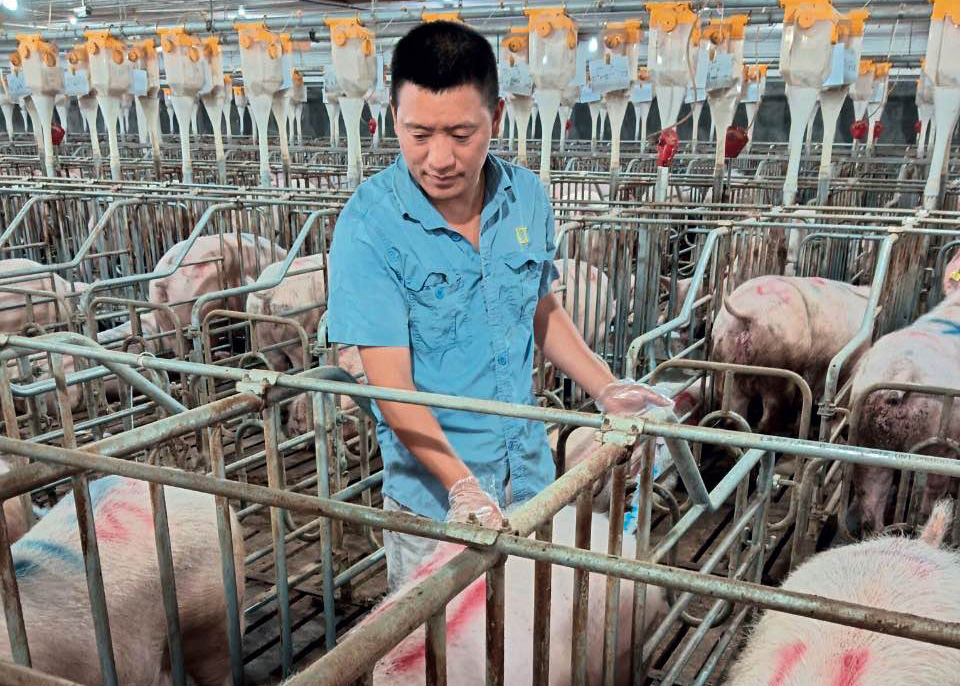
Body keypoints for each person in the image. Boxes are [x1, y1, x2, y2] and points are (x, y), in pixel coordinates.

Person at [327, 20, 669, 591]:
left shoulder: (526, 197)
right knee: (440, 641)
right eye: (418, 134)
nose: (439, 158)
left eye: (461, 134)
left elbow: (539, 307)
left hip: (529, 477)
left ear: (498, 117)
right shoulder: (369, 226)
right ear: (393, 118)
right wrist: (462, 487)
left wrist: (605, 386)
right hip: (436, 503)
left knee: (529, 630)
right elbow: (391, 390)